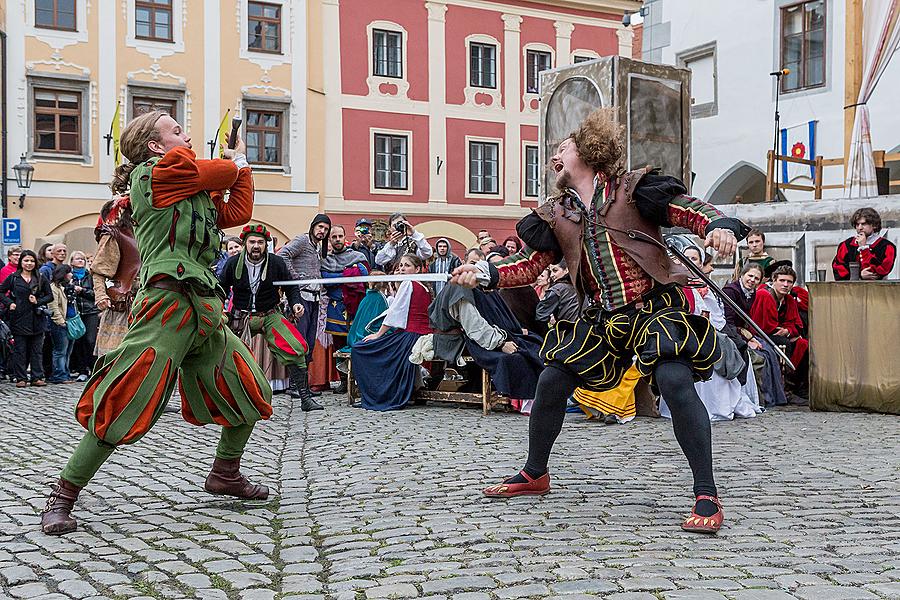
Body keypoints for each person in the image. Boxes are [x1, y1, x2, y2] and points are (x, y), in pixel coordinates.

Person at [451, 108, 747, 534]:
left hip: (652, 310)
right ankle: (535, 473)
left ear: (589, 151)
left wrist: (718, 227)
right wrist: (485, 273)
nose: (556, 154)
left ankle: (706, 493)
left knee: (675, 382)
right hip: (602, 318)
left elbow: (688, 210)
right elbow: (530, 265)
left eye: (564, 147)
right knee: (552, 379)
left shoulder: (634, 190)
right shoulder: (559, 213)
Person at [40, 109, 273, 536]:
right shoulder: (152, 174)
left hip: (203, 307)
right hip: (166, 305)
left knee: (247, 386)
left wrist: (242, 166)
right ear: (153, 145)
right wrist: (236, 161)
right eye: (176, 129)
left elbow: (237, 209)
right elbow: (220, 173)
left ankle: (225, 472)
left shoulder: (192, 188)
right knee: (125, 396)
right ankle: (64, 494)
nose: (187, 133)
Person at [220, 223, 321, 411]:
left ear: (266, 244)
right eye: (252, 242)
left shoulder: (276, 262)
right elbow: (222, 288)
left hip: (270, 314)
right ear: (245, 244)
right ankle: (225, 398)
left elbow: (291, 286)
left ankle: (305, 399)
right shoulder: (233, 263)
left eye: (260, 242)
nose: (256, 246)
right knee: (222, 350)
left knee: (296, 348)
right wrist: (218, 307)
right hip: (241, 317)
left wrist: (296, 303)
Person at [430, 248, 544, 414]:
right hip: (458, 341)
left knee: (534, 346)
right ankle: (523, 400)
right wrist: (501, 343)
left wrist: (516, 332)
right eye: (472, 263)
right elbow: (473, 325)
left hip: (482, 337)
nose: (474, 269)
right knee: (517, 357)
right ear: (463, 264)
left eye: (479, 265)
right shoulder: (459, 286)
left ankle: (543, 396)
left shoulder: (484, 286)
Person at [352, 254, 432, 411]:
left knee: (361, 349)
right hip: (417, 333)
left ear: (417, 269)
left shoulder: (409, 283)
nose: (402, 268)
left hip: (411, 335)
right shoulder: (423, 287)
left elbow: (396, 312)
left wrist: (378, 334)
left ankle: (378, 395)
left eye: (407, 265)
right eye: (401, 265)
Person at [278, 213, 332, 365]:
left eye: (326, 229)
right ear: (313, 226)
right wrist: (295, 277)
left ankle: (303, 385)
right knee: (299, 340)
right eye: (320, 227)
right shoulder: (302, 240)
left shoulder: (318, 247)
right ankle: (296, 386)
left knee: (309, 341)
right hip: (300, 297)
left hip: (315, 298)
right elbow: (282, 255)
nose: (322, 231)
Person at [91, 196, 141, 359]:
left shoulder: (151, 233)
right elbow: (99, 269)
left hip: (150, 303)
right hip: (124, 307)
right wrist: (101, 295)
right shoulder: (115, 235)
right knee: (118, 361)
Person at [321, 224, 369, 394]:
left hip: (356, 306)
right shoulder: (326, 260)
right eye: (334, 237)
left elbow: (363, 272)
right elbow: (326, 278)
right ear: (330, 239)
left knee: (357, 342)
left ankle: (359, 379)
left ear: (344, 237)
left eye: (340, 236)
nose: (337, 240)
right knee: (339, 345)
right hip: (336, 306)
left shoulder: (357, 255)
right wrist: (349, 274)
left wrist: (342, 276)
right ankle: (343, 380)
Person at [750, 264, 809, 401]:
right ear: (774, 280)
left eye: (789, 282)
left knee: (803, 343)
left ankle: (798, 387)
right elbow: (764, 326)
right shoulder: (764, 295)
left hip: (779, 334)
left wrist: (787, 330)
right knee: (786, 343)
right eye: (782, 281)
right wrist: (785, 331)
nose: (785, 285)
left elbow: (796, 324)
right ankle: (784, 387)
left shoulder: (788, 300)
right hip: (760, 335)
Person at [0, 250, 52, 387]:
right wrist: (9, 303)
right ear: (21, 262)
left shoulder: (40, 277)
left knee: (36, 350)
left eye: (32, 261)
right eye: (26, 261)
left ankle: (37, 377)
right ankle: (21, 377)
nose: (29, 264)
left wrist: (38, 301)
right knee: (20, 350)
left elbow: (49, 296)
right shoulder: (14, 278)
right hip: (19, 318)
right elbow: (1, 291)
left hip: (37, 318)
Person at [832, 207, 896, 280]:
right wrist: (858, 275)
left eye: (863, 224)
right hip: (849, 289)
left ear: (874, 225)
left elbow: (881, 270)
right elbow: (838, 268)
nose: (860, 228)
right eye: (857, 224)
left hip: (877, 289)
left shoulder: (887, 247)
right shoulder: (846, 245)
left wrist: (864, 248)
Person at [68, 251, 99, 381]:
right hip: (76, 312)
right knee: (78, 341)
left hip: (90, 311)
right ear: (72, 261)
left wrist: (82, 291)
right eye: (78, 259)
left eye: (83, 259)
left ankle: (93, 368)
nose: (81, 261)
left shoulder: (90, 276)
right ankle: (82, 370)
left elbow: (95, 293)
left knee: (90, 340)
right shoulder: (69, 276)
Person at [47, 264, 78, 384]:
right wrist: (60, 321)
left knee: (68, 351)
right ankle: (59, 374)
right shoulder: (54, 288)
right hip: (60, 323)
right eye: (69, 272)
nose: (71, 274)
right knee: (60, 350)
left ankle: (65, 372)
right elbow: (53, 306)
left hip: (70, 322)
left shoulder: (65, 287)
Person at [535, 260, 580, 325]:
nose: (552, 275)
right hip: (584, 331)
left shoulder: (557, 289)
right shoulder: (580, 287)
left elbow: (540, 316)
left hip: (567, 332)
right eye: (551, 272)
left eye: (555, 270)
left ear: (566, 270)